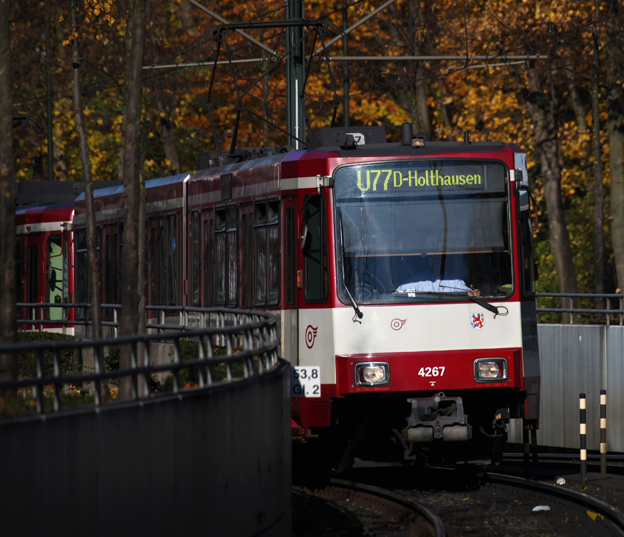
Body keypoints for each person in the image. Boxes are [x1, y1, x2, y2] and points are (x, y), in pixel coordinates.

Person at [395, 255, 481, 297]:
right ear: (429, 261)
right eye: (432, 259)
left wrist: (474, 293)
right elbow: (398, 293)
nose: (435, 262)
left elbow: (467, 293)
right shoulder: (418, 279)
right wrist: (397, 293)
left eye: (439, 259)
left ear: (445, 262)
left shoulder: (454, 280)